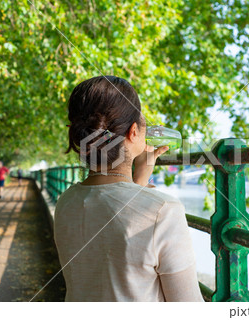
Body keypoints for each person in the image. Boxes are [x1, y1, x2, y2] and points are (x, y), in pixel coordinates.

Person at [54, 76, 203, 302]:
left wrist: (137, 182)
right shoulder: (163, 210)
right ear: (133, 132)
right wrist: (138, 187)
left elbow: (114, 220)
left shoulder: (66, 202)